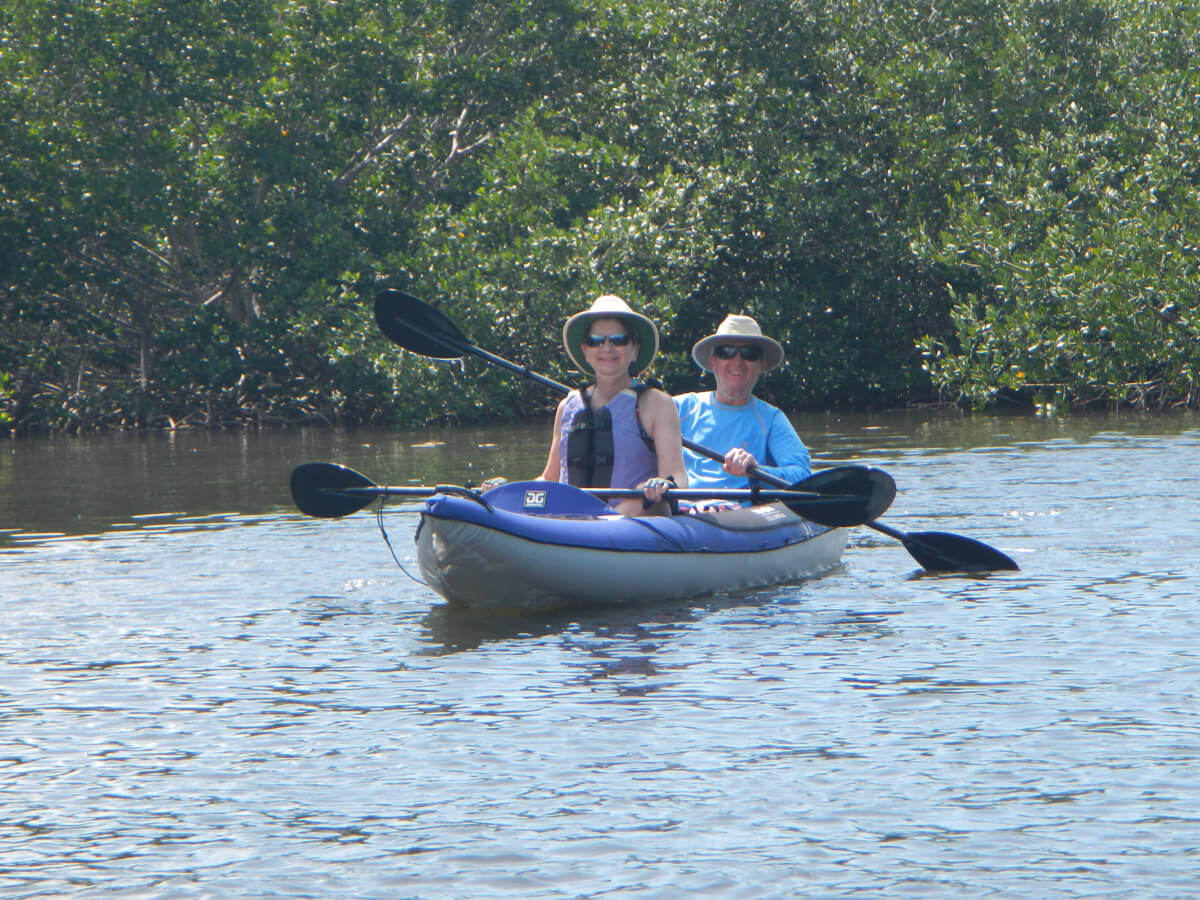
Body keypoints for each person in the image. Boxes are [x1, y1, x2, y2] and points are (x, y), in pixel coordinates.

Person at [536, 295, 687, 516]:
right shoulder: (566, 407)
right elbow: (549, 478)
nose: (607, 348)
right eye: (597, 341)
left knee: (653, 503)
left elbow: (678, 477)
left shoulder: (658, 404)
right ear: (586, 351)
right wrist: (506, 491)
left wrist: (662, 484)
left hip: (630, 516)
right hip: (568, 521)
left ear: (635, 349)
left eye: (619, 339)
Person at [674, 314, 811, 499]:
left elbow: (801, 475)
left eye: (749, 354)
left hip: (741, 517)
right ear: (713, 362)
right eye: (726, 352)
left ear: (762, 365)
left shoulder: (772, 419)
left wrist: (756, 470)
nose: (737, 361)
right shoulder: (677, 408)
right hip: (680, 515)